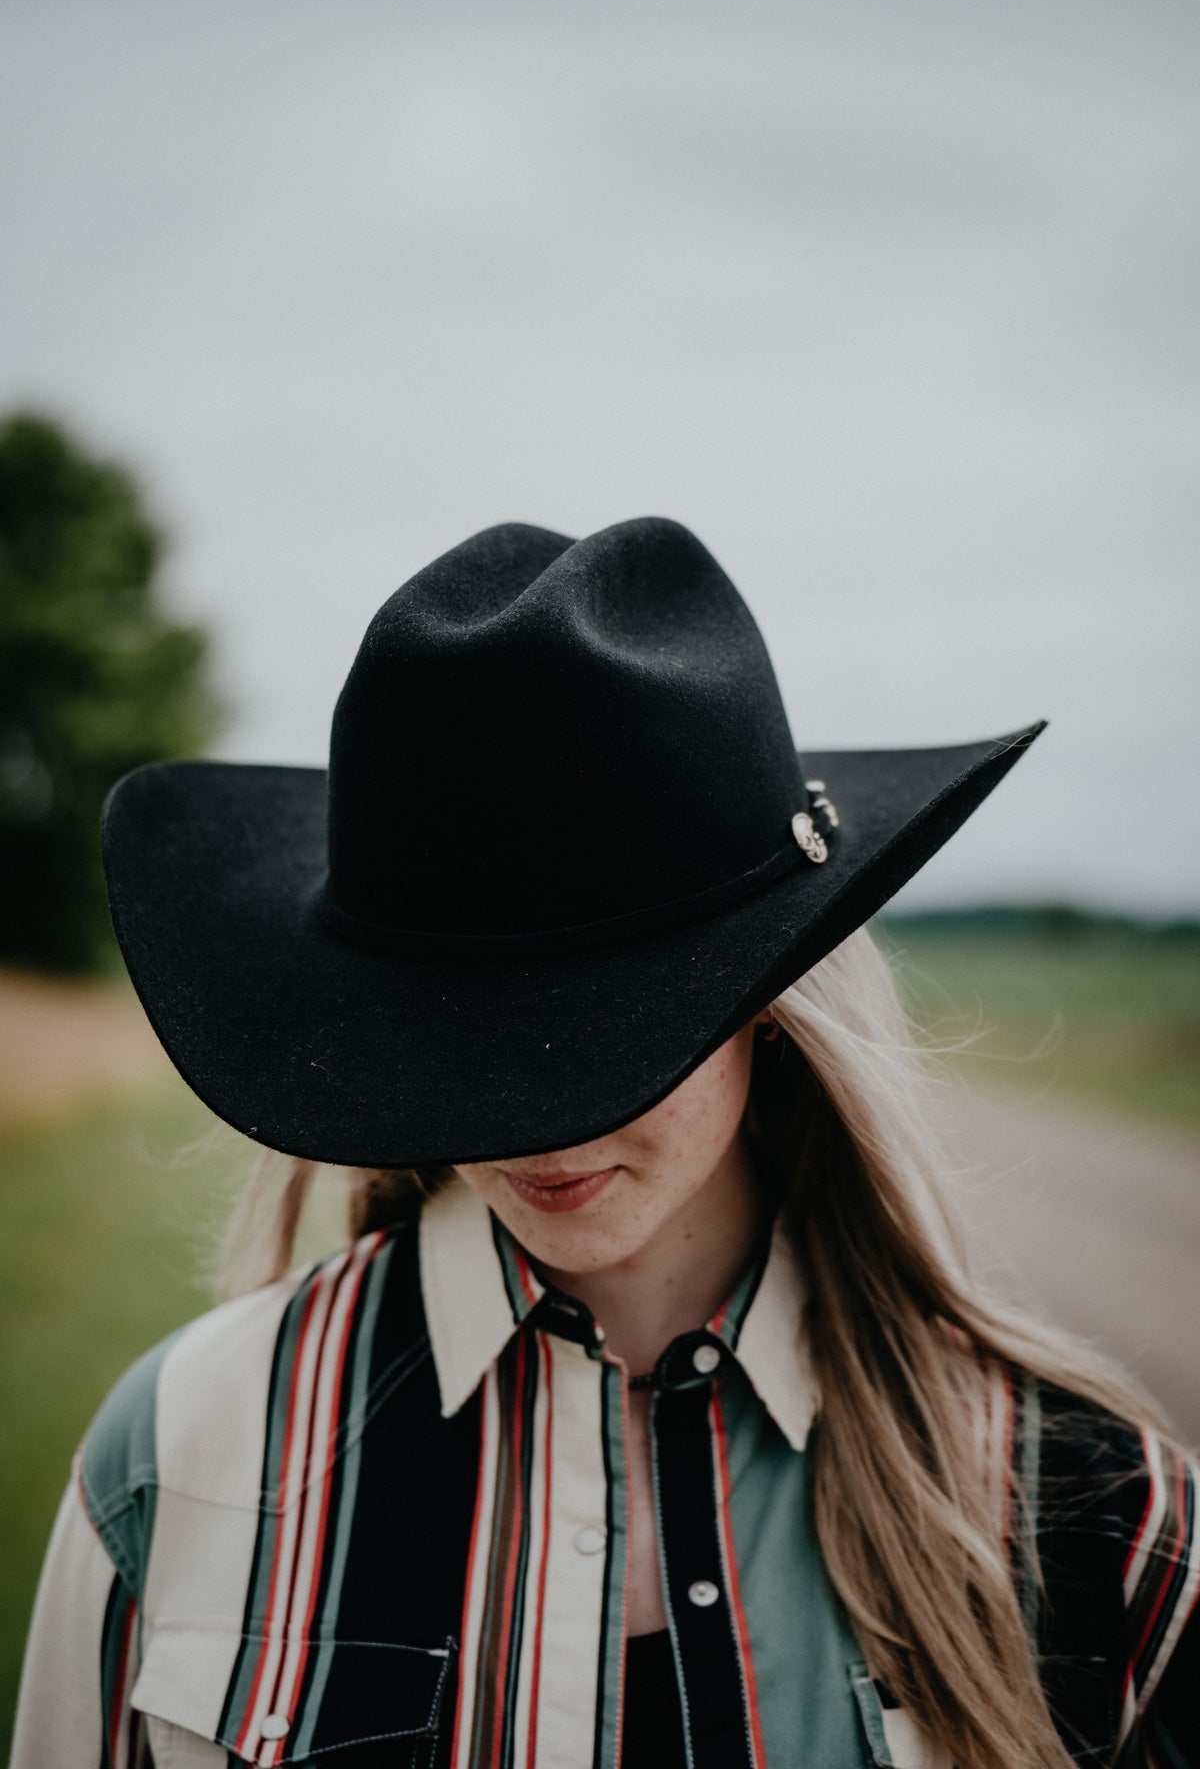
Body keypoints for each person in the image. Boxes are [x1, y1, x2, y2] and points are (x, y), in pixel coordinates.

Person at [10, 518, 1197, 1769]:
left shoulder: (1093, 1520)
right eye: (459, 1034)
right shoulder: (179, 1461)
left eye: (615, 1027)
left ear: (771, 1001)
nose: (541, 1116)